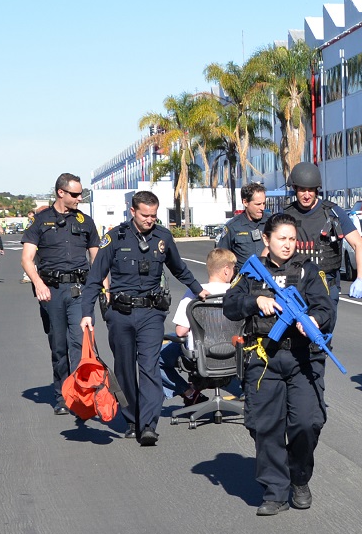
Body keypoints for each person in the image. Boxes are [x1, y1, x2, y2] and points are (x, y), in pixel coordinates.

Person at [223, 213, 334, 516]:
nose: (287, 245)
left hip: (302, 357)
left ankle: (298, 478)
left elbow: (326, 307)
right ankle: (275, 491)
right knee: (265, 425)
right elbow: (229, 305)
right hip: (264, 357)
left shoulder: (308, 270)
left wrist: (314, 319)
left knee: (307, 422)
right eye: (281, 238)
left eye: (292, 239)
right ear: (266, 239)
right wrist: (254, 302)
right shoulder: (252, 274)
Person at [79, 191, 208, 446]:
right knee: (124, 369)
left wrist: (197, 288)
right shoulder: (114, 238)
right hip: (121, 314)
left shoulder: (163, 236)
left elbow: (178, 267)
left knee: (149, 366)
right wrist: (86, 313)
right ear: (133, 212)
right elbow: (95, 278)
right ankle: (132, 419)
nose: (150, 220)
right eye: (145, 215)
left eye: (154, 215)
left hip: (151, 313)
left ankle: (148, 425)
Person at [21, 173, 100, 415]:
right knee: (59, 346)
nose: (79, 198)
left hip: (79, 290)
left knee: (79, 342)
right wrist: (38, 283)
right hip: (51, 292)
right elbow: (26, 259)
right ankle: (61, 395)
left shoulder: (85, 221)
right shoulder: (40, 221)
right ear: (61, 193)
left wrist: (102, 287)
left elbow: (96, 258)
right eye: (75, 194)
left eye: (81, 194)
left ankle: (79, 394)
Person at [281, 161, 362, 306]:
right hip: (294, 287)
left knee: (321, 327)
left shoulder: (332, 212)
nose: (307, 195)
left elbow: (358, 245)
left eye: (311, 190)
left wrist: (361, 278)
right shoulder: (286, 214)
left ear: (317, 190)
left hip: (326, 287)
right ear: (295, 189)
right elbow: (271, 249)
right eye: (302, 190)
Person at [159, 248, 237, 403]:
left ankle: (188, 392)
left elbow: (181, 332)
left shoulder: (195, 292)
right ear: (226, 270)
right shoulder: (236, 293)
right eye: (234, 269)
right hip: (232, 352)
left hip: (201, 353)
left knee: (153, 358)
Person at [217, 182, 267, 264]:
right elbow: (221, 257)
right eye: (258, 204)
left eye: (264, 203)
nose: (262, 208)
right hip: (244, 275)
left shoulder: (272, 222)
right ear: (245, 202)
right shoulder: (232, 227)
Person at [21, 210, 36, 283]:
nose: (30, 216)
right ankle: (27, 276)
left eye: (32, 215)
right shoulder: (28, 222)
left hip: (35, 243)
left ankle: (32, 275)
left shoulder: (35, 222)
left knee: (34, 260)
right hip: (29, 242)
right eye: (29, 214)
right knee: (29, 259)